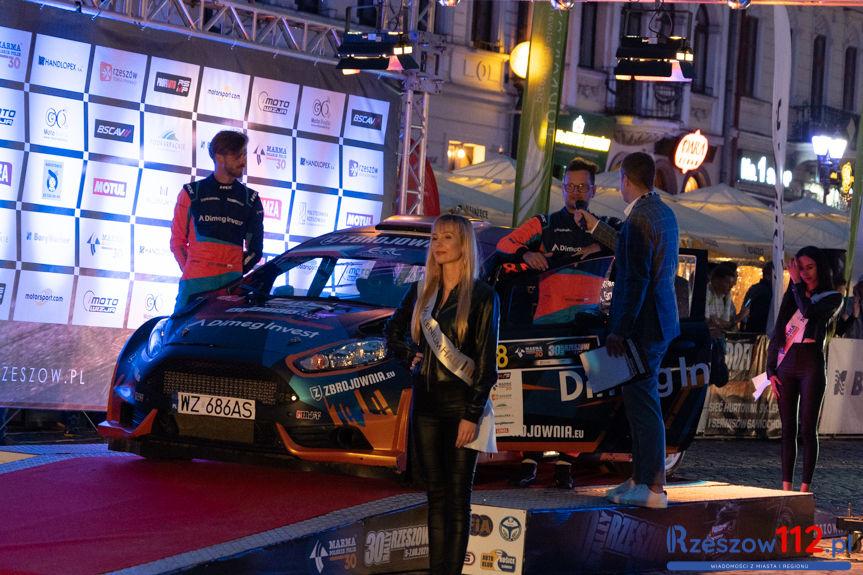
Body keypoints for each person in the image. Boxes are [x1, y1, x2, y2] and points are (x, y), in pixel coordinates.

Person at [386, 214, 499, 575]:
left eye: (447, 237)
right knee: (435, 496)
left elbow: (487, 365)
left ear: (463, 244)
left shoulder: (483, 296)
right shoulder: (422, 290)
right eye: (435, 238)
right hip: (426, 406)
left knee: (457, 498)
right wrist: (408, 354)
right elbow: (392, 331)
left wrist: (472, 414)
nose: (438, 244)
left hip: (462, 406)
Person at [497, 157, 616, 489]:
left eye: (582, 187)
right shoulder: (545, 223)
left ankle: (566, 464)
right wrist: (525, 254)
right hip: (547, 322)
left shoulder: (605, 224)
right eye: (570, 186)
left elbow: (627, 245)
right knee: (538, 390)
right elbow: (505, 244)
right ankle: (530, 460)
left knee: (585, 394)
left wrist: (598, 239)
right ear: (562, 189)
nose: (575, 192)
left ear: (593, 190)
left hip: (589, 324)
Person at [588, 152, 679, 509]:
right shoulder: (662, 212)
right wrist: (597, 228)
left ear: (625, 179)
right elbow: (636, 256)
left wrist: (620, 330)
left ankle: (653, 486)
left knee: (642, 405)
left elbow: (636, 278)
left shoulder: (639, 218)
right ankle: (641, 478)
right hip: (660, 321)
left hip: (643, 325)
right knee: (639, 402)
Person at [766, 246, 841, 493]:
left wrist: (796, 284)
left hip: (811, 363)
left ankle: (804, 488)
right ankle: (786, 488)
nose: (805, 273)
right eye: (800, 268)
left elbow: (808, 312)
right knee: (787, 429)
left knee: (808, 428)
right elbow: (779, 331)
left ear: (820, 267)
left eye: (810, 267)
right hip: (786, 364)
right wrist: (770, 370)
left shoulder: (832, 297)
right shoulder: (793, 293)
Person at [170, 130, 264, 311]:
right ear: (219, 157)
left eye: (245, 155)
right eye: (238, 156)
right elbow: (177, 242)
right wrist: (193, 270)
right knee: (179, 329)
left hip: (231, 287)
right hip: (194, 285)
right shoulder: (191, 193)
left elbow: (255, 250)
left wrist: (234, 272)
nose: (244, 161)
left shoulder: (250, 199)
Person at [740, 262, 773, 334]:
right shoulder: (756, 289)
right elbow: (746, 305)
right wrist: (743, 325)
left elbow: (746, 305)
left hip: (762, 329)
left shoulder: (773, 291)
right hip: (756, 329)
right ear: (767, 275)